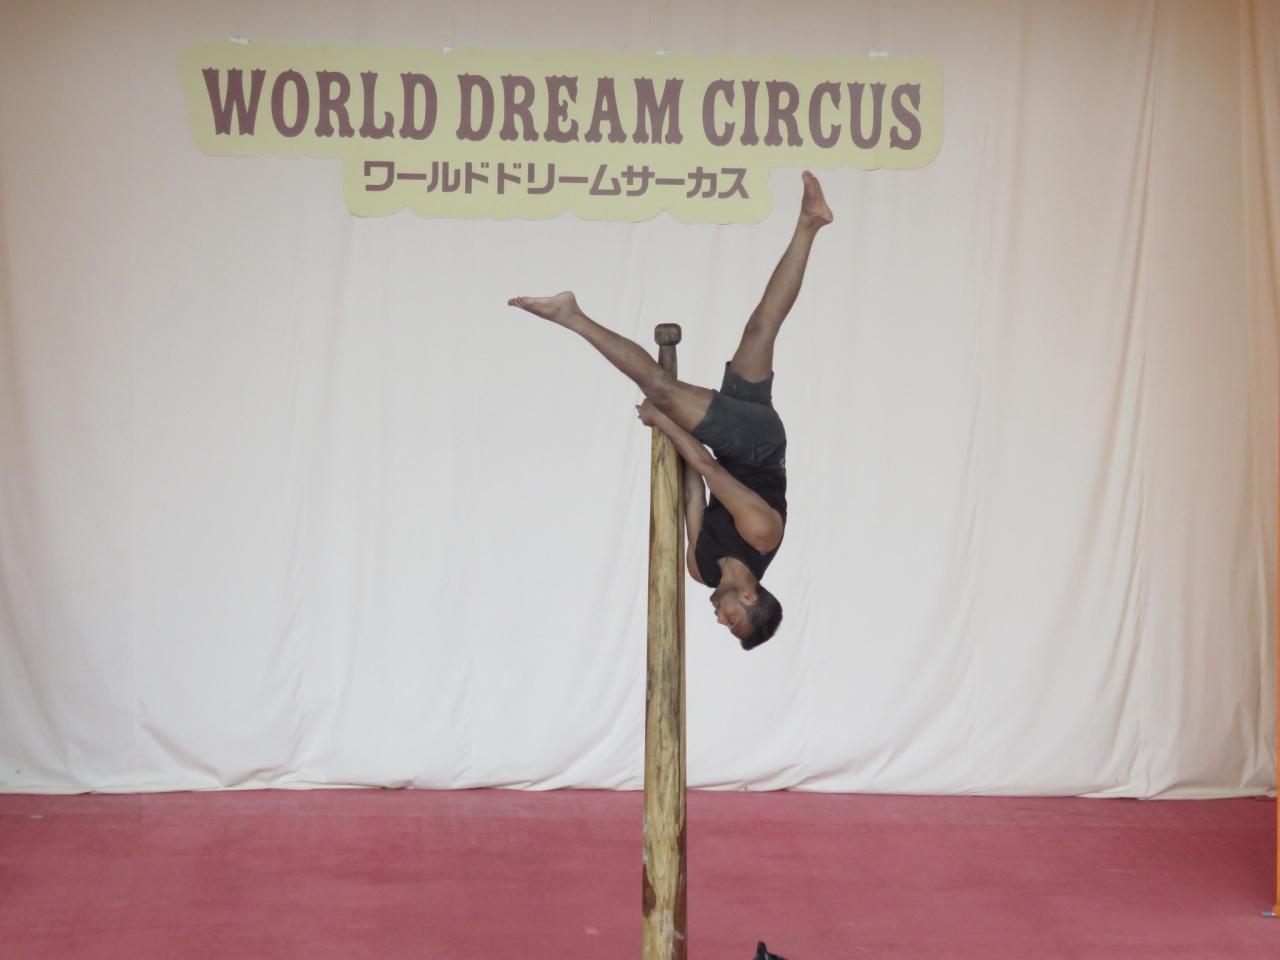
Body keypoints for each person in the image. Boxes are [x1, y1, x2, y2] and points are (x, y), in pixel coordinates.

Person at [508, 171, 832, 649]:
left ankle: (809, 222)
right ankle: (571, 315)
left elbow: (692, 487)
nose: (721, 621)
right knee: (660, 390)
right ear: (749, 596)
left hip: (732, 447)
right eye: (734, 622)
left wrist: (673, 430)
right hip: (757, 445)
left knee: (760, 327)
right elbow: (706, 465)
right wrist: (663, 418)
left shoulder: (700, 569)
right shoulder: (763, 534)